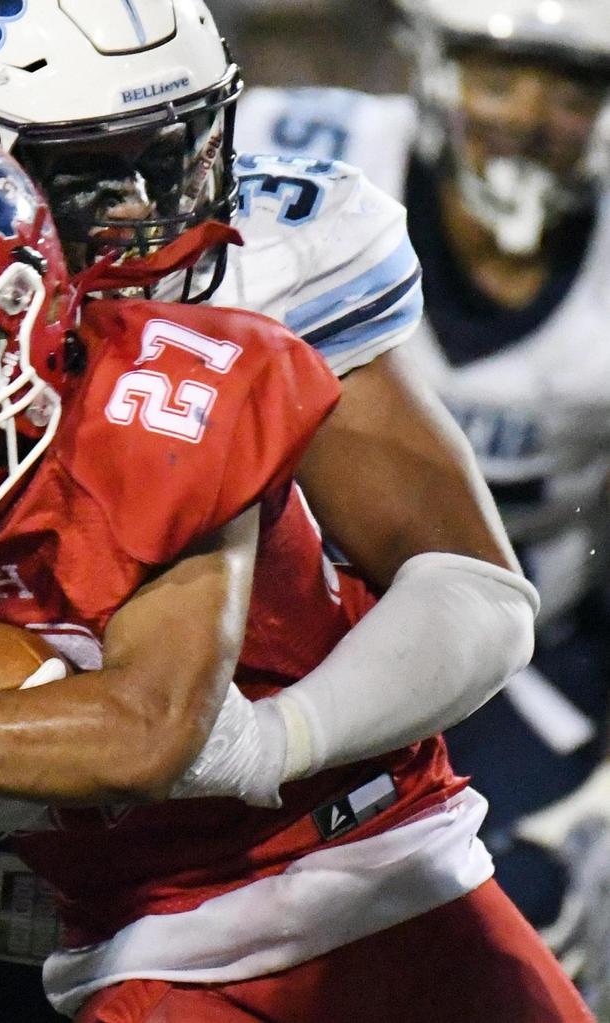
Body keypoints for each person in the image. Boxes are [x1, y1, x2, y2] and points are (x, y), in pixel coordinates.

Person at [0, 118, 588, 1023]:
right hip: (153, 938)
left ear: (23, 319)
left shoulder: (164, 397)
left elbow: (151, 728)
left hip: (389, 856)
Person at [231, 0, 610, 932]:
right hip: (277, 622)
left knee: (521, 902)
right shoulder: (296, 153)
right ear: (431, 68)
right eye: (499, 75)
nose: (527, 115)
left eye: (571, 88)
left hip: (526, 655)